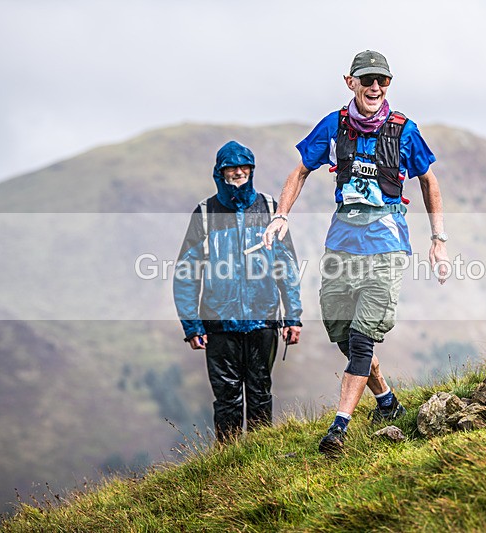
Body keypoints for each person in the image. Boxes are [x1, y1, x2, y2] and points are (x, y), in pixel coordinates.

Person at [263, 50, 449, 456]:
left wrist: (438, 240)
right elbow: (300, 170)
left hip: (386, 246)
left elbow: (428, 181)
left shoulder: (405, 131)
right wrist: (281, 215)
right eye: (367, 80)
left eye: (382, 80)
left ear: (389, 84)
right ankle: (387, 403)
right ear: (350, 82)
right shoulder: (334, 126)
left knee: (363, 340)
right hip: (340, 245)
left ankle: (339, 429)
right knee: (345, 336)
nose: (375, 87)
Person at [173, 140, 303, 441]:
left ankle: (259, 459)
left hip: (265, 318)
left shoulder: (271, 208)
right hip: (219, 322)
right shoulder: (205, 213)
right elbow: (187, 273)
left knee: (260, 392)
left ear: (252, 169)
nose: (238, 172)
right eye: (231, 167)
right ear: (220, 172)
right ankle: (228, 462)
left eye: (244, 166)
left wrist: (293, 316)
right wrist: (191, 325)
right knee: (227, 398)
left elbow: (286, 265)